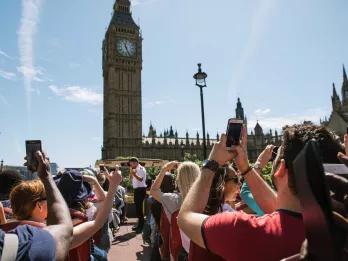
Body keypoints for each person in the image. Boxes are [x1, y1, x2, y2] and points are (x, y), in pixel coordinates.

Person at [178, 123, 343, 261]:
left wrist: (211, 163)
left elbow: (186, 217)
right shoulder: (338, 231)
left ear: (281, 169)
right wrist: (245, 168)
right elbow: (280, 208)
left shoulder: (241, 230)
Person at [9, 161, 122, 256]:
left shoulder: (8, 233)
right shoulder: (49, 237)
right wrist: (113, 186)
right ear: (39, 206)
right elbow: (97, 223)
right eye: (48, 197)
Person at [0, 151, 73, 261]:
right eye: (48, 199)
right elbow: (64, 231)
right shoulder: (32, 238)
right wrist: (46, 177)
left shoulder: (7, 228)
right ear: (39, 205)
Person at [150, 161, 200, 260]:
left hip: (179, 250)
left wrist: (164, 169)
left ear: (179, 179)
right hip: (200, 249)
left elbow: (153, 190)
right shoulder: (206, 199)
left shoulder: (173, 199)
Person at [128, 157, 147, 233]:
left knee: (139, 209)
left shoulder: (141, 169)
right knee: (137, 209)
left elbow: (141, 179)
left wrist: (134, 174)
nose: (130, 165)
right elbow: (131, 179)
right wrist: (131, 173)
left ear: (135, 162)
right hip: (137, 190)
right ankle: (139, 225)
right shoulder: (134, 169)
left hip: (140, 190)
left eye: (131, 163)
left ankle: (141, 227)